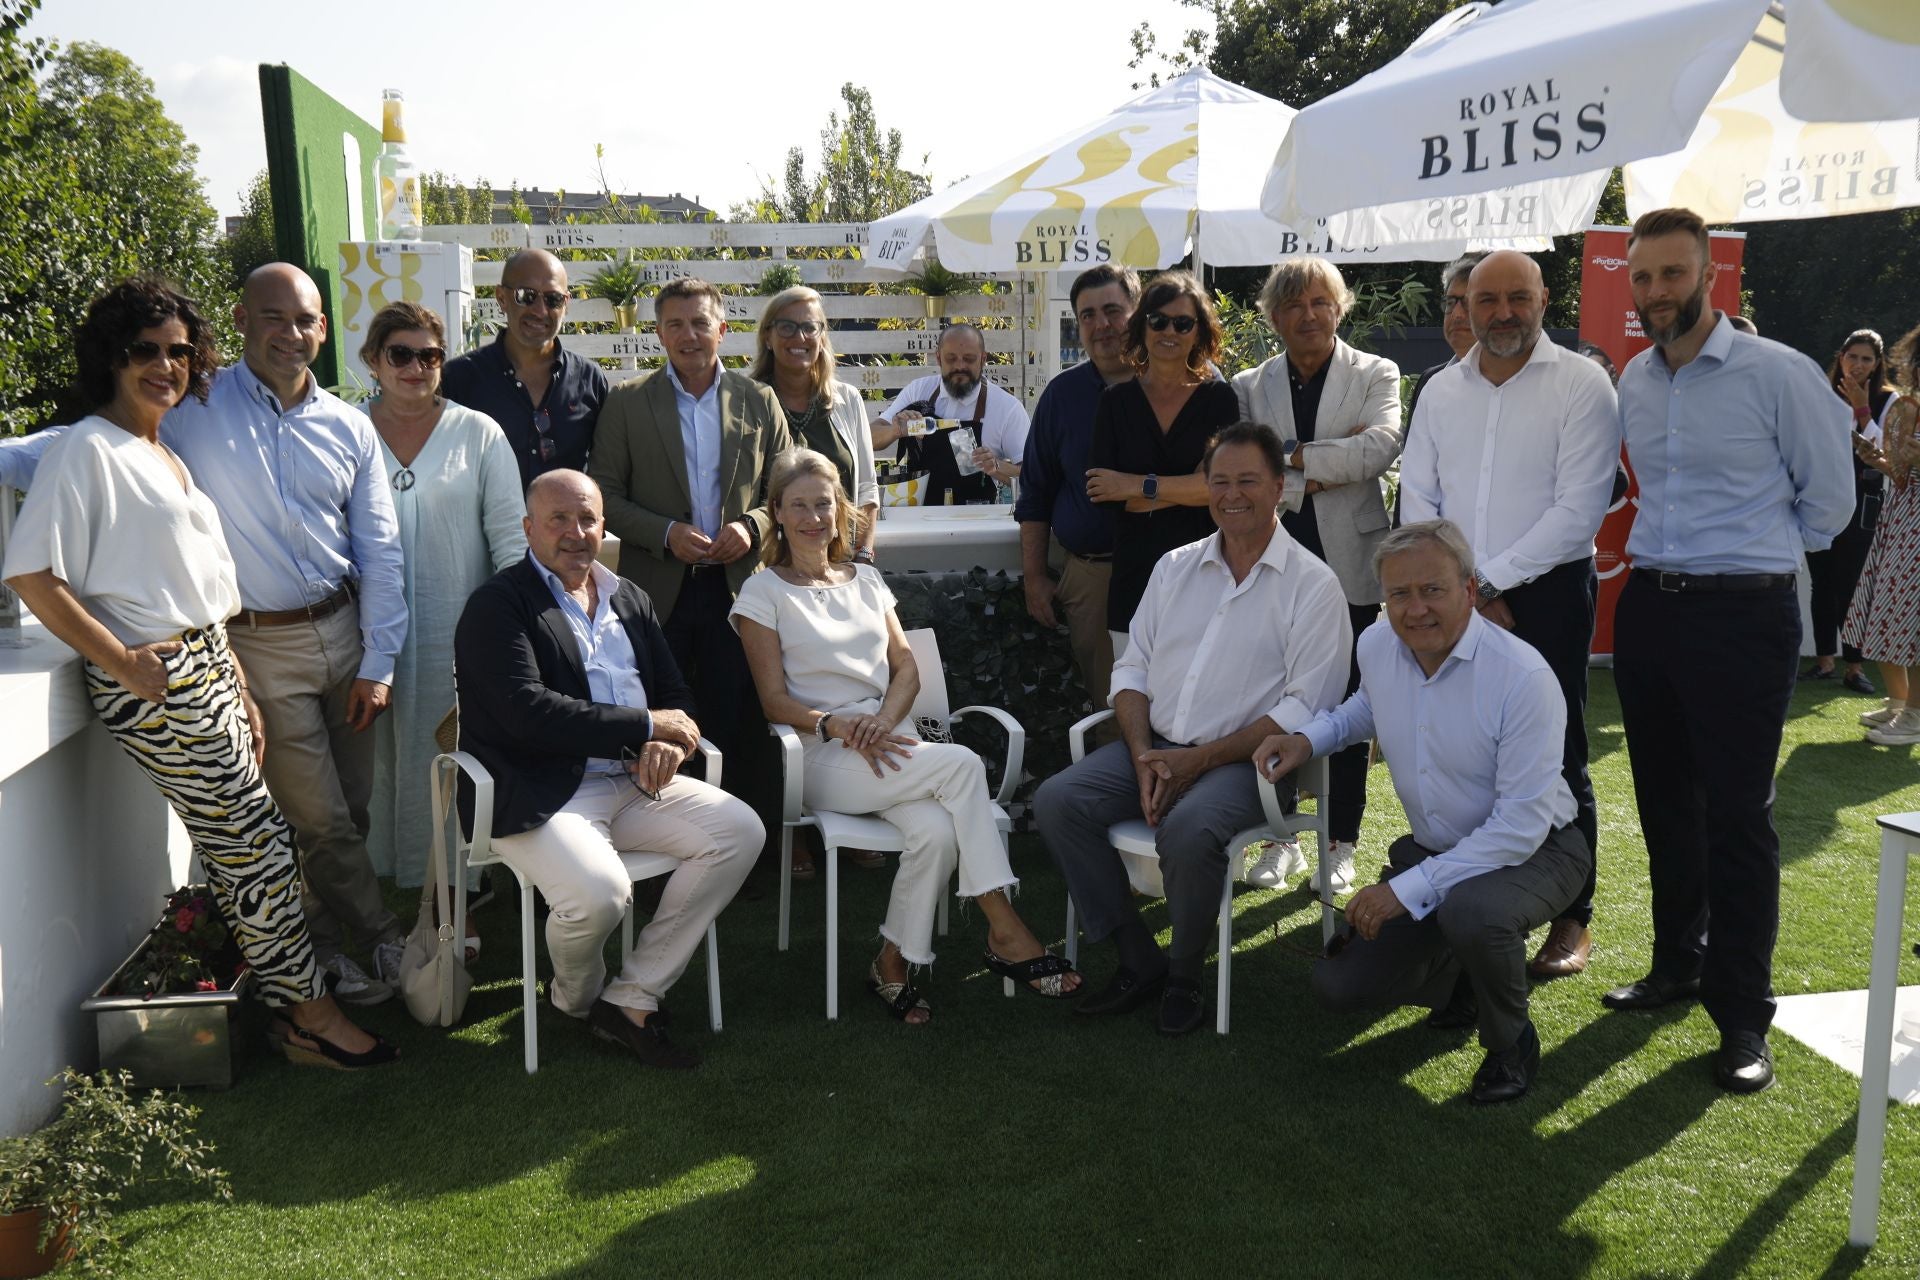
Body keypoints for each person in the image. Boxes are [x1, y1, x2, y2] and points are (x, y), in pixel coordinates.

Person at [2, 276, 396, 1069]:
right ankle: (310, 1015)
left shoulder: (160, 445)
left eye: (180, 352)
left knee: (250, 843)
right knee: (260, 847)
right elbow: (33, 575)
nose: (165, 365)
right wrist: (121, 661)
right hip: (157, 679)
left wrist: (239, 688)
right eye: (145, 351)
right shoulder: (88, 447)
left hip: (215, 664)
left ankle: (288, 1000)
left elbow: (201, 585)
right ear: (111, 356)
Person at [1606, 207, 1853, 1095]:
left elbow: (1829, 506)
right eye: (1642, 277)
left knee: (1739, 818)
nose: (1656, 292)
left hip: (1745, 617)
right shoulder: (1634, 378)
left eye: (1672, 274)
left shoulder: (1778, 374)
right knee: (1665, 802)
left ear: (1709, 276)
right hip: (1651, 613)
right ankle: (1679, 963)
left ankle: (1743, 1015)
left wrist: (1755, 553)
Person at [732, 449, 1079, 1022]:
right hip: (821, 752)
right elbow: (772, 700)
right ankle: (1006, 928)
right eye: (799, 506)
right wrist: (835, 723)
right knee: (964, 765)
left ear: (841, 510)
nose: (814, 517)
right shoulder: (762, 593)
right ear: (777, 513)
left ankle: (890, 965)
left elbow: (906, 668)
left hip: (889, 740)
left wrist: (882, 722)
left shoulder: (866, 579)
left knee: (939, 833)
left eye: (824, 503)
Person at [1257, 520, 1589, 1106]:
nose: (1415, 610)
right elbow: (1364, 708)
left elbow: (1517, 829)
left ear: (1469, 588)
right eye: (1398, 595)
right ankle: (1462, 980)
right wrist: (1307, 740)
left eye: (1432, 590)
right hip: (1441, 850)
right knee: (1339, 987)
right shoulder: (1380, 642)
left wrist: (1407, 889)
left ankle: (1510, 1042)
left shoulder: (1524, 677)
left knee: (1473, 911)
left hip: (1540, 850)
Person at [1034, 423, 1351, 1036]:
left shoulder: (1314, 586)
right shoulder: (1174, 568)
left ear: (1280, 487)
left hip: (1248, 765)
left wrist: (1197, 762)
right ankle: (1137, 956)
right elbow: (1131, 669)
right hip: (1153, 749)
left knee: (1186, 831)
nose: (1232, 495)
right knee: (1059, 800)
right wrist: (1145, 753)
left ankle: (1183, 972)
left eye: (1248, 481)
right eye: (1220, 481)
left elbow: (1304, 708)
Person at [453, 470, 760, 1069]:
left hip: (633, 784)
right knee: (600, 895)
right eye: (558, 520)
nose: (575, 532)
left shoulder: (629, 597)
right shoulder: (498, 605)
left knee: (740, 831)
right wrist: (647, 726)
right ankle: (576, 997)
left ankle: (632, 996)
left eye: (587, 518)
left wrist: (673, 743)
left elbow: (677, 695)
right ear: (528, 529)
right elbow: (527, 713)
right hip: (541, 789)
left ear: (603, 525)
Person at [1399, 250, 1619, 979]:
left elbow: (1577, 510)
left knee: (1560, 755)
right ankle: (1467, 902)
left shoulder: (1584, 384)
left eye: (1515, 297)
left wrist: (1481, 584)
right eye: (1483, 299)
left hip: (1546, 595)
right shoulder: (1438, 390)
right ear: (1462, 305)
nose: (1500, 313)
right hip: (1449, 598)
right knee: (1460, 745)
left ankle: (1572, 917)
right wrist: (1456, 590)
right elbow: (1418, 500)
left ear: (1543, 299)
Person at [589, 276, 794, 860]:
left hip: (740, 589)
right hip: (657, 588)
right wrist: (665, 532)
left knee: (741, 718)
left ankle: (750, 854)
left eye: (700, 322)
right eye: (675, 324)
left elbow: (783, 488)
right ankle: (666, 846)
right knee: (662, 725)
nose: (688, 335)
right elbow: (604, 493)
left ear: (722, 330)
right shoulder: (627, 401)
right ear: (658, 333)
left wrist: (752, 527)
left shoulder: (760, 401)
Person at [1230, 256, 1403, 895]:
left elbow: (1381, 446)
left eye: (1320, 303)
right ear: (1274, 317)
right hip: (1273, 560)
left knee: (1351, 705)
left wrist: (1288, 458)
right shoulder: (1251, 385)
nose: (1308, 315)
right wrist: (1331, 461)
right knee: (1275, 704)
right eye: (1294, 305)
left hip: (1350, 565)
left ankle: (1340, 842)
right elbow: (1244, 460)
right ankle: (1281, 837)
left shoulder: (1376, 373)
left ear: (1340, 308)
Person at [358, 302, 526, 950]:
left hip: (457, 635)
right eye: (400, 353)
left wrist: (507, 636)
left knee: (449, 765)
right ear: (373, 360)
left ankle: (457, 905)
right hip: (363, 640)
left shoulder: (478, 434)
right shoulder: (345, 431)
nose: (416, 367)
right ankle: (372, 909)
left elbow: (512, 544)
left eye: (430, 355)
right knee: (368, 771)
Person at [1086, 270, 1239, 635]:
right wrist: (1191, 488)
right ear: (1142, 326)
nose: (1169, 332)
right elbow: (1102, 491)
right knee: (1130, 691)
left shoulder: (1219, 400)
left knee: (1201, 691)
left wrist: (1136, 486)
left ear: (1199, 332)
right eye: (1159, 321)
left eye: (1183, 323)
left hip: (1205, 577)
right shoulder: (1115, 402)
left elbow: (1219, 489)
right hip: (1134, 582)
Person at [1016, 264, 1139, 718]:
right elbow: (1035, 493)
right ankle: (1120, 788)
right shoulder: (1061, 397)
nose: (1101, 325)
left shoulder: (1177, 384)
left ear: (1137, 311)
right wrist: (1034, 576)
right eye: (1087, 315)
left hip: (1176, 573)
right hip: (1093, 579)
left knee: (1186, 697)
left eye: (1113, 310)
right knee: (1109, 706)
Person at [441, 248, 608, 490]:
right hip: (486, 527)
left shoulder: (590, 380)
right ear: (501, 298)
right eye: (526, 296)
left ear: (566, 304)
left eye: (553, 299)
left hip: (567, 528)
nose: (540, 310)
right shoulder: (458, 379)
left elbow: (606, 476)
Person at [747, 286, 878, 562]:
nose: (800, 336)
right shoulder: (747, 403)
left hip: (839, 565)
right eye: (786, 327)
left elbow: (866, 489)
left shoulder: (847, 400)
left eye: (810, 327)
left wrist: (863, 556)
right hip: (769, 568)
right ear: (767, 337)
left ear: (822, 338)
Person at [1808, 329, 1898, 696]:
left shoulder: (1890, 400)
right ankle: (1825, 660)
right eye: (1853, 357)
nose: (1858, 365)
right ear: (1841, 357)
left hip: (1863, 502)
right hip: (1820, 498)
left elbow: (1884, 453)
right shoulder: (1821, 392)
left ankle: (1855, 665)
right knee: (1821, 583)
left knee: (1852, 586)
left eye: (1867, 359)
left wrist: (1862, 409)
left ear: (1877, 364)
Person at [1842, 325, 1920, 744]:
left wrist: (1863, 414)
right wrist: (1882, 459)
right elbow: (1904, 474)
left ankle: (1913, 714)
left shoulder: (1902, 404)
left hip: (1912, 528)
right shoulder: (1911, 406)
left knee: (1908, 617)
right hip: (1901, 520)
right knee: (1884, 610)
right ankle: (1901, 703)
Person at [870, 324, 1027, 506]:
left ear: (983, 359)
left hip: (978, 522)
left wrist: (996, 466)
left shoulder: (1007, 408)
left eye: (969, 359)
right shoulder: (918, 390)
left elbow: (1032, 477)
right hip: (918, 520)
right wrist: (894, 431)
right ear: (938, 358)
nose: (960, 366)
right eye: (951, 359)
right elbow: (870, 438)